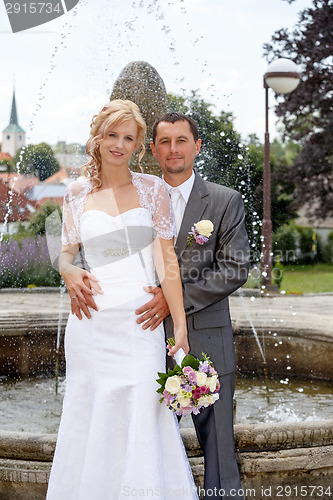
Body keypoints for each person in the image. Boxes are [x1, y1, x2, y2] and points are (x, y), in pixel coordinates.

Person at [70, 111, 250, 499]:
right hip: (130, 334)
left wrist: (174, 305)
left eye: (181, 140)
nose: (173, 149)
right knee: (133, 434)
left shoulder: (223, 200)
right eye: (164, 142)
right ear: (151, 149)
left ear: (197, 146)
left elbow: (235, 269)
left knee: (219, 451)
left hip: (201, 339)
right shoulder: (128, 191)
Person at [46, 101, 199, 500]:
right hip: (91, 325)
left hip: (139, 325)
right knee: (89, 413)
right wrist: (68, 270)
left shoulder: (153, 190)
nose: (118, 143)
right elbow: (66, 253)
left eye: (127, 137)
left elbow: (167, 262)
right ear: (98, 138)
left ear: (138, 146)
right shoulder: (75, 193)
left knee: (142, 411)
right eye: (112, 134)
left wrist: (179, 326)